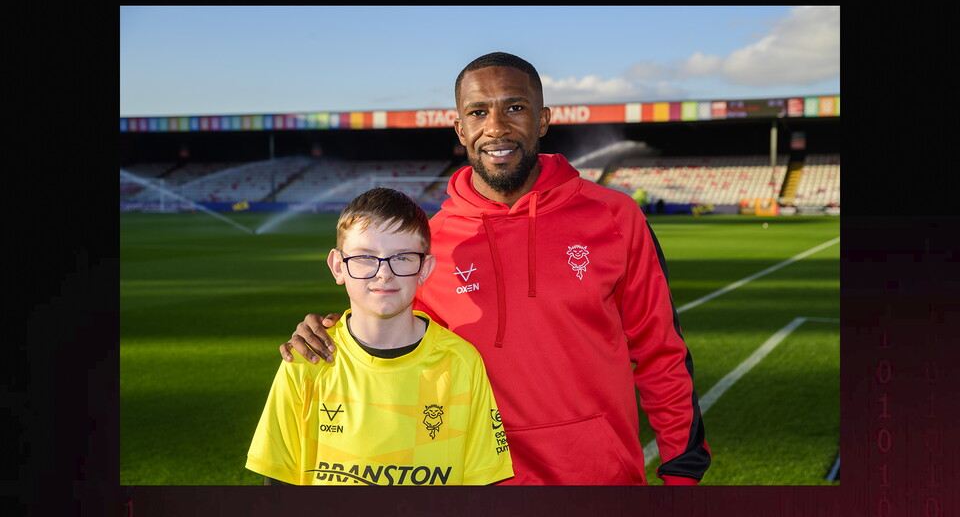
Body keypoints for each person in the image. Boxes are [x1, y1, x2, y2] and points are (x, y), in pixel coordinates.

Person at [281, 52, 710, 485]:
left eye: (515, 108)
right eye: (478, 112)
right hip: (476, 485)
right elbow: (387, 346)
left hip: (600, 481)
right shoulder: (430, 244)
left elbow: (660, 352)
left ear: (543, 120)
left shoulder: (615, 218)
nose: (496, 126)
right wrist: (325, 331)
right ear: (460, 128)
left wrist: (682, 474)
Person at [247, 187, 513, 486]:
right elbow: (279, 482)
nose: (384, 273)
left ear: (424, 268)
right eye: (365, 257)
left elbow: (482, 485)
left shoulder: (461, 362)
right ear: (338, 266)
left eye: (402, 258)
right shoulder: (307, 361)